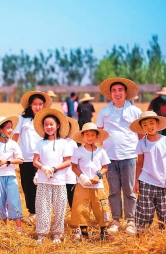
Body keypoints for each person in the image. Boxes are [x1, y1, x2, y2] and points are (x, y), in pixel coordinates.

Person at [96, 77, 142, 235]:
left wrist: (143, 154)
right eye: (114, 90)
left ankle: (131, 220)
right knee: (114, 190)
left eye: (120, 90)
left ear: (126, 92)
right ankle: (116, 219)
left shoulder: (135, 111)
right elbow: (98, 133)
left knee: (129, 190)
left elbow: (141, 135)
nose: (117, 93)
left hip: (129, 156)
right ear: (110, 94)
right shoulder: (104, 112)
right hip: (110, 157)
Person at [33, 108, 72, 243]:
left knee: (60, 208)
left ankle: (57, 233)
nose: (49, 127)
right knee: (42, 207)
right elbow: (35, 161)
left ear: (58, 126)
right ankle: (42, 234)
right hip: (44, 180)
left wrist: (54, 168)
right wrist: (43, 168)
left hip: (59, 181)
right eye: (46, 125)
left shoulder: (64, 143)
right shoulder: (40, 143)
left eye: (51, 124)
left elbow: (67, 161)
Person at [12, 91, 52, 223]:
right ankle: (32, 212)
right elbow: (15, 136)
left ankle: (44, 213)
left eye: (40, 104)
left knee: (43, 185)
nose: (38, 107)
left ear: (44, 105)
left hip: (43, 158)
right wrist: (11, 151)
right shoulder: (22, 119)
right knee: (28, 185)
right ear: (30, 105)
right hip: (26, 158)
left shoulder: (46, 119)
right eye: (35, 104)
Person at [70, 123, 114, 241]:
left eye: (93, 135)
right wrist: (82, 177)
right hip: (82, 185)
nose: (90, 137)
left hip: (97, 185)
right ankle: (84, 233)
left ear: (96, 136)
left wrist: (98, 176)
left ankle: (104, 231)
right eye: (87, 135)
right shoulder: (78, 151)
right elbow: (74, 167)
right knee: (81, 208)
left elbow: (105, 167)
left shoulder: (101, 152)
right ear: (82, 136)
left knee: (101, 207)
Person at [130, 111, 166, 234]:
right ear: (142, 128)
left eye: (152, 123)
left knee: (164, 212)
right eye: (145, 124)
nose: (149, 126)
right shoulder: (141, 143)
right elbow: (139, 163)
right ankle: (142, 236)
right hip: (146, 181)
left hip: (163, 183)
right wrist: (136, 181)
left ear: (157, 124)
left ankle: (162, 238)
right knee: (145, 211)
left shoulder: (164, 141)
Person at [64, 118, 79, 209]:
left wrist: (78, 175)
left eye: (67, 127)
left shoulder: (72, 143)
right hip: (57, 178)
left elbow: (76, 160)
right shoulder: (54, 142)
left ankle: (76, 221)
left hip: (70, 176)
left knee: (72, 199)